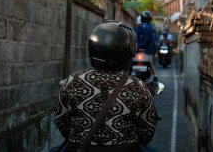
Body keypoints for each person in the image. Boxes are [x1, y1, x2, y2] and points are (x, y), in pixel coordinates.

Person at [55, 21, 158, 152]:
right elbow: (147, 132)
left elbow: (61, 122)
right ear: (126, 54)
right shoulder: (139, 86)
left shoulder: (72, 81)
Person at [134, 11, 158, 76]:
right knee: (151, 62)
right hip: (147, 50)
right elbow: (153, 41)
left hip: (137, 50)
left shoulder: (137, 28)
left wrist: (137, 47)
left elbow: (133, 38)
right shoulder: (151, 28)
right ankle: (155, 76)